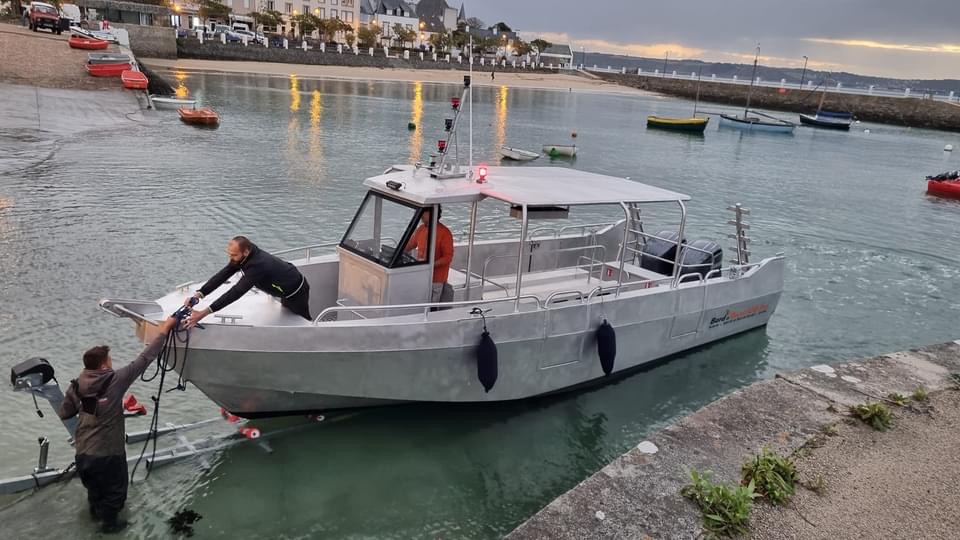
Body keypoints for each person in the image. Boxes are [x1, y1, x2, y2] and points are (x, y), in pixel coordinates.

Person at [58, 316, 179, 534]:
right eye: (110, 360)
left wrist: (91, 407)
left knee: (94, 491)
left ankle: (96, 517)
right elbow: (145, 358)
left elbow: (65, 412)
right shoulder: (115, 380)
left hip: (83, 453)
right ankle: (110, 528)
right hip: (109, 454)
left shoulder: (76, 386)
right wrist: (164, 330)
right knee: (115, 493)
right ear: (104, 364)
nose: (112, 363)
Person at [184, 236, 311, 328]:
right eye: (229, 254)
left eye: (234, 255)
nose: (231, 258)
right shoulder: (243, 256)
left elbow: (236, 292)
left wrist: (203, 313)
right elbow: (223, 275)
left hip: (296, 291)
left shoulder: (258, 265)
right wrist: (199, 294)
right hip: (281, 288)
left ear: (246, 251)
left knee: (303, 322)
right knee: (288, 314)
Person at [404, 206, 454, 303]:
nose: (421, 214)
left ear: (432, 213)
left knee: (431, 307)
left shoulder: (445, 233)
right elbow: (411, 244)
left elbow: (448, 257)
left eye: (424, 211)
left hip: (436, 279)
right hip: (421, 275)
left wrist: (431, 265)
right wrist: (398, 251)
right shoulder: (421, 229)